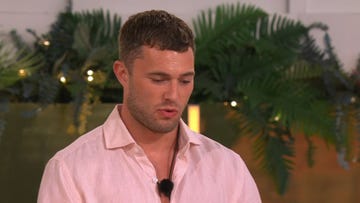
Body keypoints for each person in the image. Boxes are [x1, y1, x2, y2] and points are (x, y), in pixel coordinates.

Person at [37, 10, 262, 203]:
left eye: (185, 81)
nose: (173, 95)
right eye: (159, 80)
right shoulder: (70, 170)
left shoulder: (228, 168)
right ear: (123, 74)